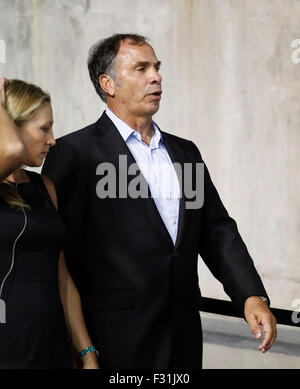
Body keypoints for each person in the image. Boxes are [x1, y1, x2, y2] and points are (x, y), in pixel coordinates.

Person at [42, 33, 277, 369]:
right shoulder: (74, 154)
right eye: (141, 68)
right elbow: (55, 254)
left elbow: (216, 232)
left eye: (156, 67)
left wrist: (251, 295)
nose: (156, 76)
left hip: (183, 343)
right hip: (111, 345)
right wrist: (80, 349)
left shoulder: (185, 152)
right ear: (108, 84)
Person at [0, 77, 99, 369]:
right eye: (44, 128)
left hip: (49, 344)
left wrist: (88, 353)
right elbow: (11, 151)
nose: (52, 139)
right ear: (12, 126)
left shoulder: (45, 187)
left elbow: (63, 278)